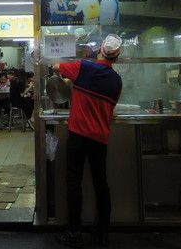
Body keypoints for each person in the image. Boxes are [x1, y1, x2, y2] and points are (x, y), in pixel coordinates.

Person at [52, 33, 123, 248]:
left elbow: (55, 67)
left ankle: (74, 232)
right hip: (100, 137)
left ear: (100, 50)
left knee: (74, 180)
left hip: (78, 134)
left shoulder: (83, 67)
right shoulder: (117, 81)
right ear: (116, 57)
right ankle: (103, 233)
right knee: (100, 182)